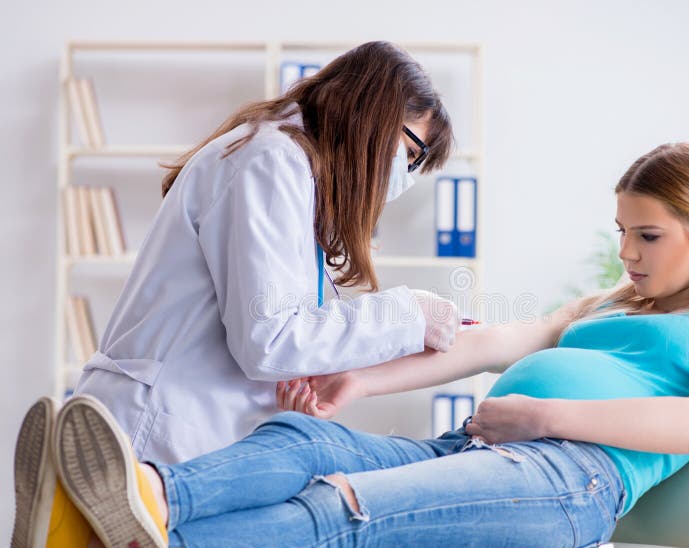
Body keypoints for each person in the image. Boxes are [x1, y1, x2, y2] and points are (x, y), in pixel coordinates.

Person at [11, 143, 689, 548]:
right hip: (480, 450)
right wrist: (360, 377)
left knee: (343, 507)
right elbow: (491, 341)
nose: (625, 252)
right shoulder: (610, 303)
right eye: (621, 231)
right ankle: (143, 495)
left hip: (570, 482)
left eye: (647, 236)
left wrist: (538, 415)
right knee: (301, 441)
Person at [70, 41, 460, 466]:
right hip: (148, 430)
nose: (400, 175)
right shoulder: (271, 162)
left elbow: (271, 335)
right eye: (407, 152)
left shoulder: (293, 172)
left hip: (184, 432)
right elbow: (268, 339)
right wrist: (408, 314)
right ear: (372, 113)